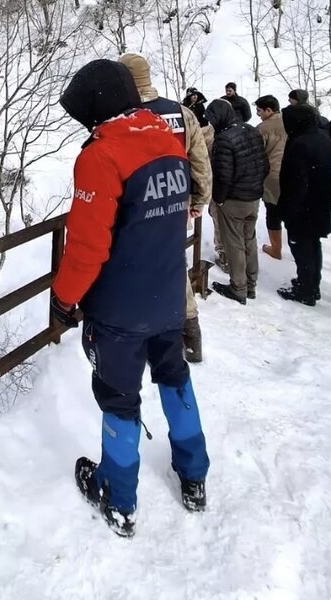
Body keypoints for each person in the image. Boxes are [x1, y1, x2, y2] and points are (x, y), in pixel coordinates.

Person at [51, 59, 210, 537]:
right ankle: (194, 475)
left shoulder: (101, 156)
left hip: (121, 307)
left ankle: (118, 497)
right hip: (166, 294)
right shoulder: (166, 139)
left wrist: (63, 299)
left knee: (119, 397)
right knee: (175, 378)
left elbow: (87, 246)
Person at [119, 53, 213, 364]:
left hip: (136, 206)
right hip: (175, 203)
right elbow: (200, 162)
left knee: (132, 265)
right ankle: (190, 332)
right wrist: (199, 199)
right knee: (173, 262)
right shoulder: (181, 112)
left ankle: (140, 334)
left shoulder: (123, 115)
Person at [206, 99, 269, 303]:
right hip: (253, 196)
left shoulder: (223, 139)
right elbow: (264, 163)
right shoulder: (251, 130)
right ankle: (251, 285)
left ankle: (238, 287)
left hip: (234, 199)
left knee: (234, 244)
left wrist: (219, 199)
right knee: (249, 240)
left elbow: (223, 175)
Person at [276, 104, 331, 306]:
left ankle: (306, 289)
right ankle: (311, 283)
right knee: (313, 245)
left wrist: (290, 209)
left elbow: (298, 181)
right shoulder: (323, 137)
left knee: (302, 249)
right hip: (319, 201)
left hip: (303, 206)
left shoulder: (300, 144)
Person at [255, 95, 287, 260]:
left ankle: (276, 248)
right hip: (292, 173)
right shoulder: (291, 122)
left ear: (269, 110)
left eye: (259, 110)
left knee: (273, 212)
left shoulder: (263, 128)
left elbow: (257, 155)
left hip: (272, 175)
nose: (258, 114)